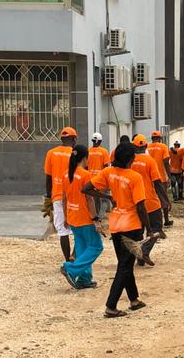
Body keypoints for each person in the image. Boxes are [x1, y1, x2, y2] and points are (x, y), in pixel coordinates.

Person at [85, 141, 153, 318]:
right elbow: (140, 207)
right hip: (131, 227)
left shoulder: (108, 172)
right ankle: (111, 306)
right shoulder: (135, 177)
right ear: (131, 159)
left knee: (125, 264)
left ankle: (134, 300)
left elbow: (86, 189)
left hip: (116, 225)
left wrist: (107, 196)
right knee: (124, 266)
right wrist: (149, 229)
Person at [60, 145, 103, 291]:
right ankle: (70, 268)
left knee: (82, 248)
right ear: (85, 157)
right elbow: (90, 200)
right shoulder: (86, 175)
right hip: (85, 218)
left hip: (72, 217)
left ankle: (85, 279)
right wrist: (96, 219)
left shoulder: (66, 174)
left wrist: (66, 216)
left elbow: (64, 198)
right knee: (96, 247)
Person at [131, 135, 169, 262]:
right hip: (150, 202)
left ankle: (139, 256)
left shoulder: (129, 161)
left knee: (138, 230)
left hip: (134, 202)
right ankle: (145, 251)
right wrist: (165, 199)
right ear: (146, 146)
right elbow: (157, 183)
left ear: (134, 147)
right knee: (157, 228)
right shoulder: (150, 161)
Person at [43, 126, 76, 262]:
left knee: (63, 231)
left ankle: (67, 260)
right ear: (74, 139)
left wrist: (48, 197)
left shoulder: (51, 153)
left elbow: (48, 177)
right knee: (78, 229)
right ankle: (74, 255)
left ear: (61, 139)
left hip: (57, 196)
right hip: (74, 197)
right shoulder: (75, 154)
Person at [147, 131, 173, 227]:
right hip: (160, 178)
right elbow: (166, 162)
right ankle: (166, 220)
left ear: (152, 138)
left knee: (150, 199)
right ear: (160, 138)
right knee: (163, 198)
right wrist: (169, 176)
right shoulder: (163, 147)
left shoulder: (147, 147)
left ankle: (150, 221)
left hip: (149, 179)